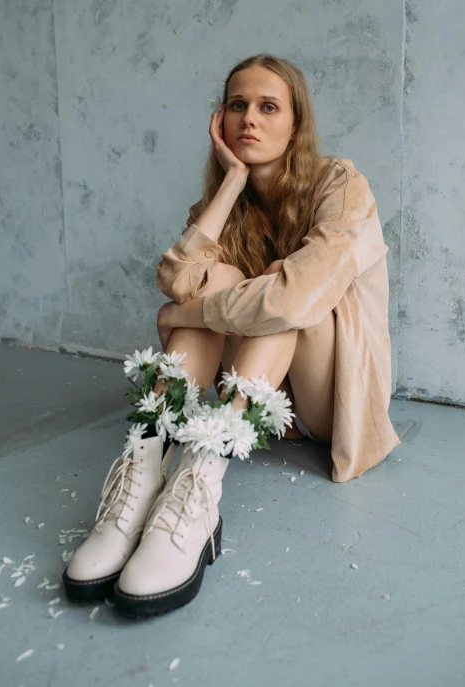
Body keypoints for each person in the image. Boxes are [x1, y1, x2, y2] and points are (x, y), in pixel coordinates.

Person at [62, 53, 401, 618]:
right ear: (220, 120)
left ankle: (202, 479)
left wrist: (187, 316)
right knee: (214, 278)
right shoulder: (224, 204)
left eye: (269, 107)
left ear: (296, 124)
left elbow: (294, 299)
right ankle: (147, 467)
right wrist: (231, 182)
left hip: (321, 404)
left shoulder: (340, 184)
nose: (250, 119)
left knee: (283, 292)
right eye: (237, 105)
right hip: (255, 393)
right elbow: (175, 280)